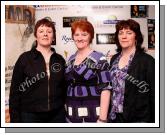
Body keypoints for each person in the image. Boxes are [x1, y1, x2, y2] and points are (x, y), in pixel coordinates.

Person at [9, 18, 66, 123]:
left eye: (49, 32)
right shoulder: (24, 59)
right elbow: (15, 92)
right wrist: (15, 121)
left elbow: (64, 88)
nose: (45, 34)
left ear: (53, 37)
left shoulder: (60, 59)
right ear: (36, 36)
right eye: (41, 31)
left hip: (57, 115)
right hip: (30, 115)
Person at [65, 20, 111, 123]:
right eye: (76, 34)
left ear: (90, 36)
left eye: (84, 34)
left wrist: (102, 119)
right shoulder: (71, 58)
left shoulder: (99, 58)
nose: (80, 38)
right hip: (71, 114)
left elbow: (106, 89)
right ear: (73, 37)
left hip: (93, 115)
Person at [109, 19, 155, 123]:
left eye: (129, 33)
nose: (124, 36)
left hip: (137, 119)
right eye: (121, 33)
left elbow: (154, 94)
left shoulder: (147, 61)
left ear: (136, 37)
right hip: (114, 118)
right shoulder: (114, 59)